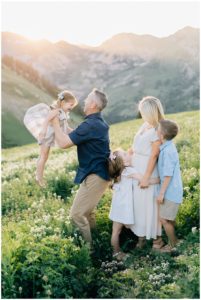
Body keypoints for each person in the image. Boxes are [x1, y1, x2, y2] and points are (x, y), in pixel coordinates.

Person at [49, 88, 110, 245]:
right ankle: (97, 245)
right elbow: (73, 134)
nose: (84, 101)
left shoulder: (90, 125)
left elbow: (63, 143)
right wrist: (62, 123)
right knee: (87, 214)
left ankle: (87, 252)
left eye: (88, 99)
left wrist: (54, 121)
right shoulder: (96, 123)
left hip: (96, 175)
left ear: (94, 105)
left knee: (77, 214)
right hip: (97, 173)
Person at [108, 149, 160, 260]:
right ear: (124, 163)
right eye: (125, 154)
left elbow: (128, 154)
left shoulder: (118, 174)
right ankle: (137, 245)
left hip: (117, 206)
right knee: (137, 223)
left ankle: (116, 252)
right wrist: (158, 180)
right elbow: (143, 180)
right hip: (124, 207)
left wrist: (131, 152)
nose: (128, 154)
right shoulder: (128, 171)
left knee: (116, 231)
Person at [129, 96, 165, 249]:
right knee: (139, 204)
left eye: (143, 111)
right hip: (137, 167)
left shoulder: (158, 129)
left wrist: (146, 177)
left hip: (147, 170)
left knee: (149, 204)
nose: (141, 114)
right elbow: (135, 145)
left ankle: (157, 240)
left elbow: (154, 155)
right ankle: (141, 236)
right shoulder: (145, 125)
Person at [24, 90, 78, 187]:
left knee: (44, 156)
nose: (71, 107)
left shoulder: (62, 113)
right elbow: (46, 120)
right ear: (63, 102)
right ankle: (39, 178)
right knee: (43, 156)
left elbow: (65, 128)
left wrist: (76, 132)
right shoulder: (56, 111)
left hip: (49, 135)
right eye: (70, 105)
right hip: (47, 136)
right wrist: (43, 131)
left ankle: (38, 177)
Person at [156, 119, 183, 253]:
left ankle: (173, 245)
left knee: (164, 219)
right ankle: (175, 241)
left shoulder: (167, 151)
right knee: (168, 218)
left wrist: (161, 193)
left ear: (161, 135)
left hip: (170, 192)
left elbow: (167, 175)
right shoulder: (167, 147)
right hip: (171, 190)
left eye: (157, 130)